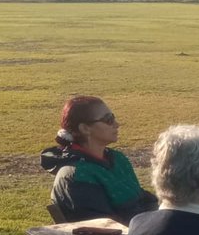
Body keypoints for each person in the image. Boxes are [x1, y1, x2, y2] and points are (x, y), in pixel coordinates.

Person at [40, 95, 157, 224]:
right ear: (85, 128)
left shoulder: (117, 159)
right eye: (108, 120)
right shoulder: (75, 175)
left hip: (142, 230)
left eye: (113, 118)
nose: (117, 124)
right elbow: (104, 226)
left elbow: (141, 198)